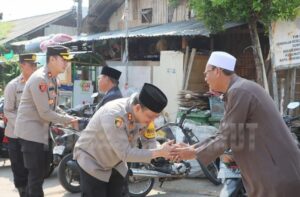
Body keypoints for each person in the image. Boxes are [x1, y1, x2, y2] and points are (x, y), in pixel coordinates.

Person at [171, 51, 300, 197]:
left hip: (275, 176)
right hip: (271, 174)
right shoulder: (238, 89)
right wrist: (192, 148)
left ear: (218, 71)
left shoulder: (239, 91)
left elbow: (227, 137)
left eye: (206, 73)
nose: (205, 78)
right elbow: (230, 134)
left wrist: (193, 152)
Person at [73, 83, 173, 197]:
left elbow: (149, 141)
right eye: (150, 117)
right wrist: (159, 152)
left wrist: (163, 150)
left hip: (116, 163)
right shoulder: (114, 114)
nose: (152, 122)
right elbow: (125, 153)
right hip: (93, 161)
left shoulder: (146, 116)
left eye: (155, 117)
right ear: (137, 108)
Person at [14, 45, 78, 197]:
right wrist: (69, 120)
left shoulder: (52, 78)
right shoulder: (40, 79)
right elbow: (44, 113)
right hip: (31, 135)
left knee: (40, 174)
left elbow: (53, 107)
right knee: (36, 178)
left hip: (42, 134)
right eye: (64, 60)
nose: (66, 64)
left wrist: (70, 117)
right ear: (52, 59)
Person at [4, 53, 38, 197]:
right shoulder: (13, 86)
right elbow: (7, 110)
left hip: (34, 135)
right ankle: (23, 192)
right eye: (31, 65)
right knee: (19, 168)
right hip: (16, 135)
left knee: (35, 169)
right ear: (22, 66)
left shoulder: (39, 84)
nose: (35, 68)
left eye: (36, 65)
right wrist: (23, 123)